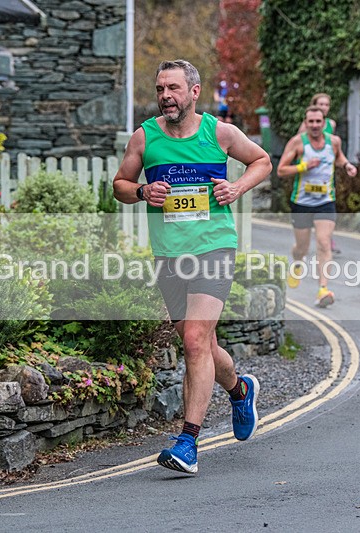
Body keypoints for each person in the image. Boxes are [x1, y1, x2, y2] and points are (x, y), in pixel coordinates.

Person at [113, 59, 272, 475]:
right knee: (197, 342)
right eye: (161, 88)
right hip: (170, 255)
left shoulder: (218, 133)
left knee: (197, 339)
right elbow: (120, 186)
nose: (166, 95)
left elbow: (262, 161)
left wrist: (236, 185)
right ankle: (240, 390)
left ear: (194, 91)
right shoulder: (144, 137)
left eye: (174, 88)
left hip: (214, 248)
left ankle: (188, 441)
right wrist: (143, 190)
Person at [277, 105, 357, 308]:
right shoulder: (297, 143)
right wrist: (304, 166)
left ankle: (323, 289)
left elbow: (338, 158)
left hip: (325, 201)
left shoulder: (334, 142)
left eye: (318, 121)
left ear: (324, 123)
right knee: (301, 247)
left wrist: (347, 165)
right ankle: (297, 262)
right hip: (302, 202)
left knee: (323, 242)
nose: (314, 125)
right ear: (305, 123)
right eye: (310, 121)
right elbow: (281, 170)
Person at [297, 93, 342, 254]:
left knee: (327, 204)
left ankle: (326, 238)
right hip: (308, 175)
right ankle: (307, 243)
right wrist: (305, 165)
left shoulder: (332, 124)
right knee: (302, 241)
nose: (324, 107)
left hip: (326, 174)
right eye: (321, 104)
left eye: (326, 105)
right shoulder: (307, 125)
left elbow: (335, 149)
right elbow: (298, 147)